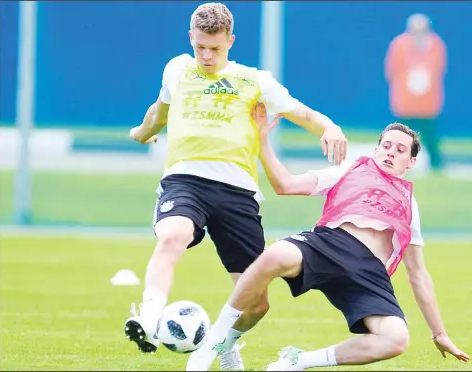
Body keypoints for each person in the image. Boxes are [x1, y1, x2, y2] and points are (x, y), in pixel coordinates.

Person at [124, 3, 348, 370]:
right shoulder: (177, 68)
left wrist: (330, 128)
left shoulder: (254, 80)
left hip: (237, 191)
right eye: (200, 48)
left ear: (230, 40)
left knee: (257, 303)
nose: (207, 56)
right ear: (191, 40)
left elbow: (303, 113)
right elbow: (159, 111)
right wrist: (141, 133)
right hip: (185, 178)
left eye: (215, 48)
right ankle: (149, 318)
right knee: (171, 235)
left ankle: (225, 343)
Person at [186, 104, 470, 371]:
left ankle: (300, 360)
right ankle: (217, 339)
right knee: (273, 256)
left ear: (411, 161)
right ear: (376, 149)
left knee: (396, 340)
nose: (391, 152)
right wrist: (262, 142)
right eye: (386, 145)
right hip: (330, 244)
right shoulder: (350, 171)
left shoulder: (410, 206)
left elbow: (417, 274)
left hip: (369, 274)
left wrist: (439, 333)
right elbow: (285, 185)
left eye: (400, 149)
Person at [385, 13, 447, 171]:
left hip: (428, 102)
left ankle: (436, 164)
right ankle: (396, 163)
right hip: (405, 101)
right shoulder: (399, 44)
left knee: (430, 135)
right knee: (400, 136)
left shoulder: (435, 44)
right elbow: (392, 69)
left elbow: (438, 68)